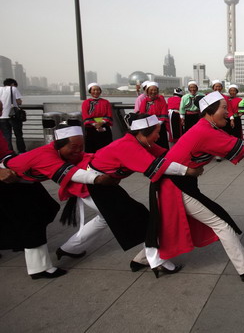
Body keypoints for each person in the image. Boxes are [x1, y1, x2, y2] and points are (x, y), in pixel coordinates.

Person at [149, 91, 244, 282]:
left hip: (177, 183)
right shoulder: (204, 131)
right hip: (175, 186)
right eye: (224, 108)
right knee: (221, 224)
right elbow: (243, 148)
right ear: (209, 111)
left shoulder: (208, 127)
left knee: (165, 224)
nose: (228, 111)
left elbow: (237, 144)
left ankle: (142, 259)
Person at [57, 115, 199, 277]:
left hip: (102, 185)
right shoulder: (128, 146)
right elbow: (156, 166)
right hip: (94, 186)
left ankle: (69, 248)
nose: (159, 136)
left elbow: (168, 156)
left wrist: (193, 156)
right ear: (144, 132)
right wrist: (188, 171)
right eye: (157, 133)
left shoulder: (142, 142)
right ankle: (157, 262)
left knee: (106, 218)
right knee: (144, 220)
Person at [0, 126, 115, 279]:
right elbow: (70, 173)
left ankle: (36, 248)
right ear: (58, 145)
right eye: (74, 147)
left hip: (20, 179)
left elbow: (86, 156)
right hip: (7, 183)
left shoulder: (58, 151)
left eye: (81, 146)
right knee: (31, 221)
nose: (78, 150)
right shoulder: (46, 156)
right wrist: (98, 178)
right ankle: (39, 268)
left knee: (45, 211)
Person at [81, 83, 113, 153]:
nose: (96, 92)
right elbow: (85, 116)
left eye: (98, 90)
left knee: (106, 147)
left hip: (104, 126)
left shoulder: (106, 102)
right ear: (90, 91)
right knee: (91, 148)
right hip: (91, 128)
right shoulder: (86, 103)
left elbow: (109, 115)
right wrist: (96, 125)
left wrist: (101, 123)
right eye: (94, 90)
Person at [139, 82, 169, 149]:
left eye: (155, 90)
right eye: (151, 90)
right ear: (147, 91)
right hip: (148, 126)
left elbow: (164, 113)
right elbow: (142, 114)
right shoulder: (144, 101)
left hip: (160, 126)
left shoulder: (162, 101)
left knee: (162, 144)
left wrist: (157, 124)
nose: (153, 92)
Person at [0, 78, 26, 153]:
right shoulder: (13, 89)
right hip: (13, 116)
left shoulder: (0, 89)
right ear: (12, 84)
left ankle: (9, 152)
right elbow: (19, 102)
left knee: (6, 136)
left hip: (2, 117)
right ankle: (21, 151)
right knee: (18, 134)